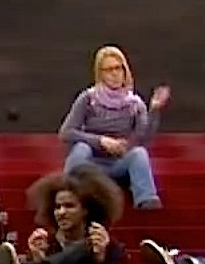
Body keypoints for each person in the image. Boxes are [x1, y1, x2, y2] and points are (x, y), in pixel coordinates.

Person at [59, 45, 172, 210]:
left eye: (118, 68)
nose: (114, 73)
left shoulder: (135, 104)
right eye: (108, 69)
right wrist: (101, 141)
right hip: (90, 164)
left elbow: (143, 140)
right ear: (100, 74)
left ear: (125, 70)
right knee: (81, 148)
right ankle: (68, 196)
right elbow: (66, 133)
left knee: (139, 153)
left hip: (118, 162)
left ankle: (146, 200)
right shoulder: (88, 99)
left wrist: (154, 110)